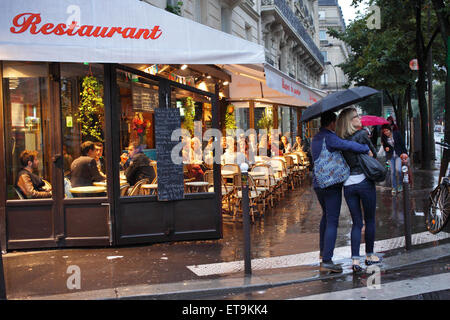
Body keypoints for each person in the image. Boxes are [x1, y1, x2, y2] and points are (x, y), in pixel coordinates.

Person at [311, 111, 370, 273]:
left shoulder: (316, 138)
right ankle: (328, 260)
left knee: (326, 216)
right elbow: (348, 145)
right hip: (331, 185)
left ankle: (323, 252)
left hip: (318, 183)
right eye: (335, 122)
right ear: (331, 123)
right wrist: (365, 148)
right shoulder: (329, 137)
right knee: (332, 221)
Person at [336, 108, 380, 272]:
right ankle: (369, 255)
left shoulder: (340, 139)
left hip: (348, 184)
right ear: (350, 121)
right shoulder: (361, 135)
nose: (360, 118)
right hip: (364, 181)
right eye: (356, 116)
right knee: (369, 221)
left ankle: (355, 260)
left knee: (356, 223)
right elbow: (373, 155)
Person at [381, 124, 408, 195]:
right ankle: (394, 187)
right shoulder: (383, 137)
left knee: (398, 170)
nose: (386, 132)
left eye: (387, 130)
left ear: (390, 129)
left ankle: (400, 184)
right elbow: (385, 147)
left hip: (398, 155)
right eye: (384, 131)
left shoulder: (397, 134)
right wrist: (386, 148)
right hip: (390, 156)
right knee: (392, 172)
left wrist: (405, 153)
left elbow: (402, 144)